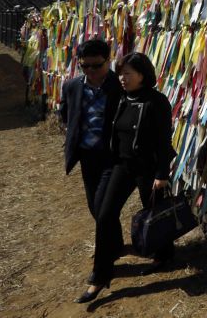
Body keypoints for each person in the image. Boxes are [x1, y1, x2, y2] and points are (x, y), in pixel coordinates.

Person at [76, 52, 176, 303]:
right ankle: (100, 275)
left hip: (148, 168)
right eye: (120, 73)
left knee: (155, 213)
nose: (122, 78)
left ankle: (164, 256)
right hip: (121, 165)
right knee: (105, 213)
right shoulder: (121, 98)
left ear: (142, 75)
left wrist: (162, 173)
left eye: (127, 73)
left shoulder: (157, 102)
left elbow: (165, 140)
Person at [59, 39, 124, 265]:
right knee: (95, 207)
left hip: (113, 157)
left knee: (103, 208)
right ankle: (115, 245)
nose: (91, 71)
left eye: (97, 65)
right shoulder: (72, 87)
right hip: (87, 156)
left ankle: (105, 258)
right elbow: (66, 114)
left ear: (109, 60)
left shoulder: (120, 86)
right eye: (85, 66)